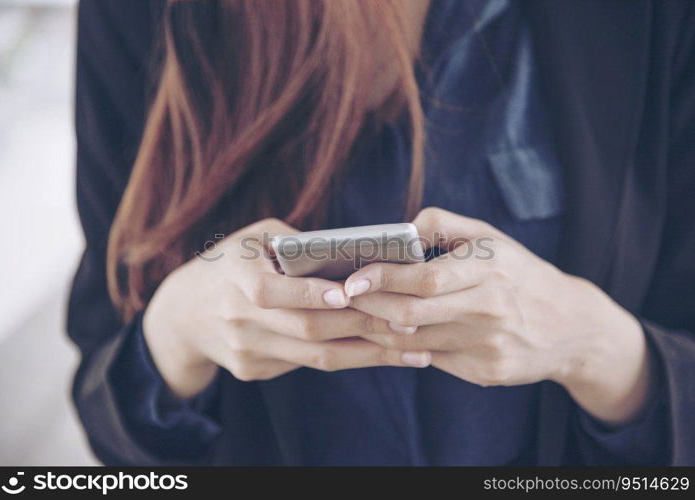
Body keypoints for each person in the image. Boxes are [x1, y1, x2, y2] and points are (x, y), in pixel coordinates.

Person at [68, 0, 695, 465]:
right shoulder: (140, 15)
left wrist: (590, 344)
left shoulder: (651, 18)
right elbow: (109, 413)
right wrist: (178, 333)